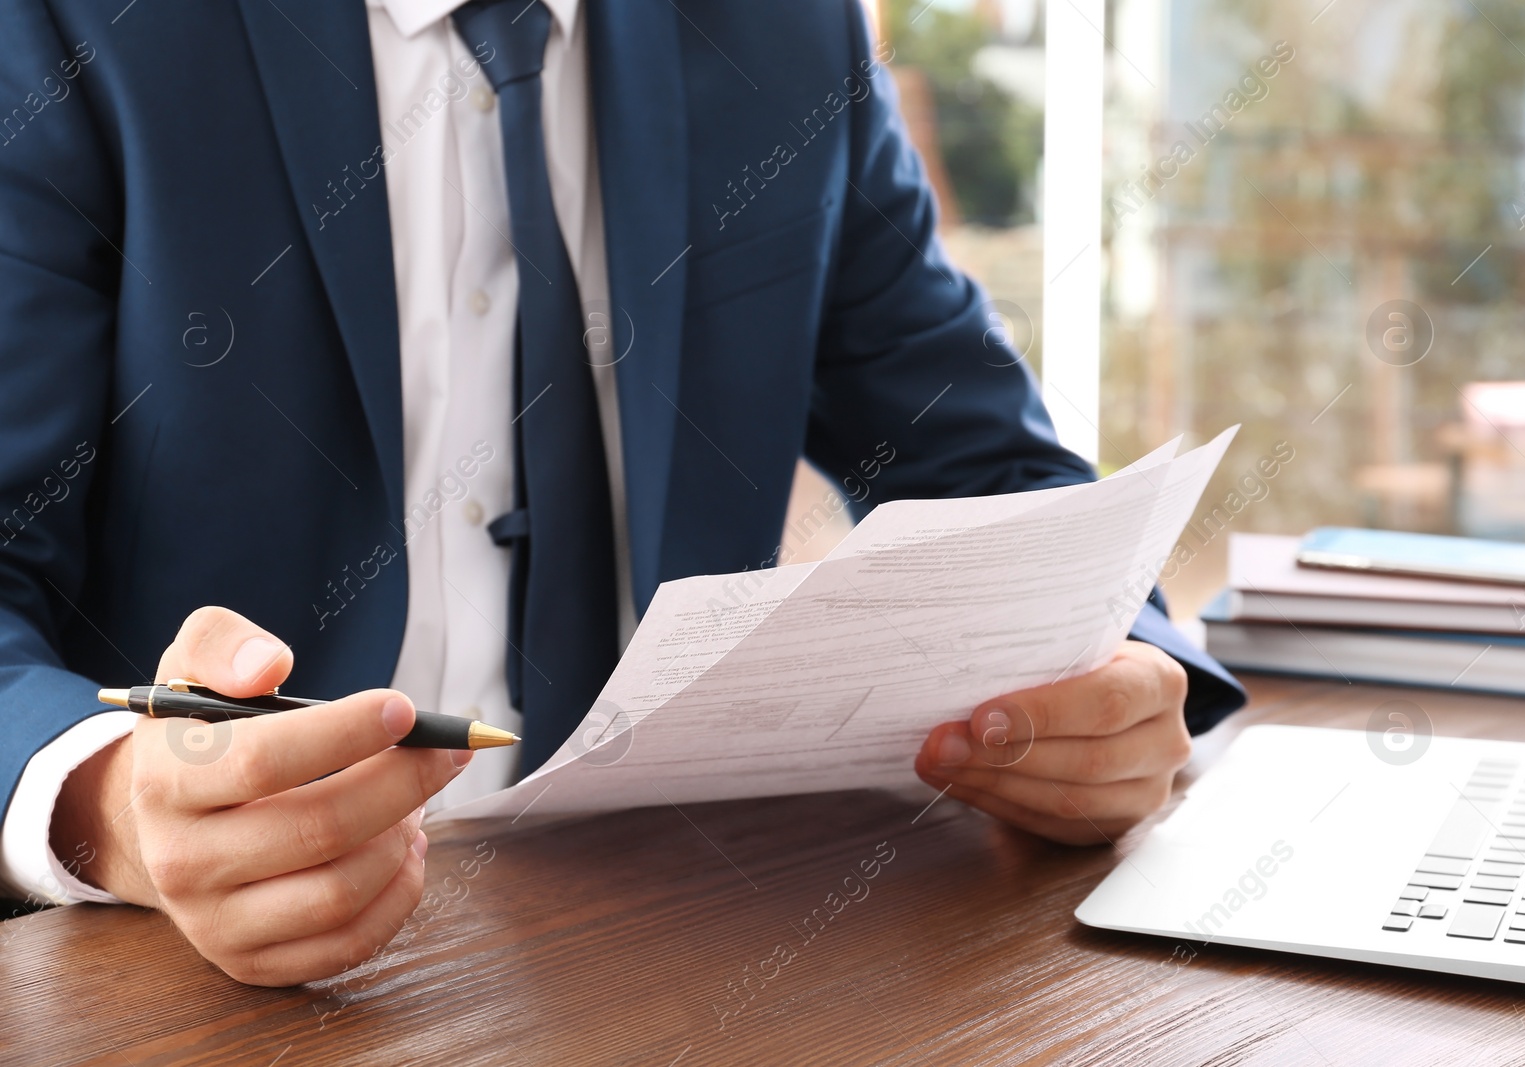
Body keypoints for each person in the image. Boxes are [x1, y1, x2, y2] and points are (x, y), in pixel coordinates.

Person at [0, 0, 1245, 986]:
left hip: (663, 944)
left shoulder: (783, 29)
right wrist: (114, 806)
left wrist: (1124, 686)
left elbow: (992, 472)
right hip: (184, 984)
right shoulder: (65, 26)